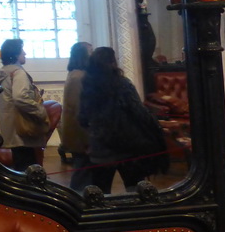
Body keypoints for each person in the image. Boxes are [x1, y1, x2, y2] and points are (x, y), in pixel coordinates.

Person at [78, 46, 169, 193]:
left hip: (101, 145)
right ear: (112, 62)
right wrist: (154, 126)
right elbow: (138, 111)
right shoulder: (122, 83)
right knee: (136, 189)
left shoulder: (88, 86)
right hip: (127, 144)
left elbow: (83, 117)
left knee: (100, 192)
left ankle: (103, 216)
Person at [0, 38, 49, 171]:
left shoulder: (5, 72)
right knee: (27, 169)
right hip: (22, 131)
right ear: (15, 54)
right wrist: (40, 110)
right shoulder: (18, 73)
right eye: (22, 51)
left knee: (19, 166)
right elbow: (20, 97)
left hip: (12, 128)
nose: (24, 53)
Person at [58, 41, 93, 192]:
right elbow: (79, 110)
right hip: (81, 135)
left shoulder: (77, 75)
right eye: (90, 52)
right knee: (82, 176)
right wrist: (87, 139)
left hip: (80, 134)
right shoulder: (79, 77)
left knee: (84, 173)